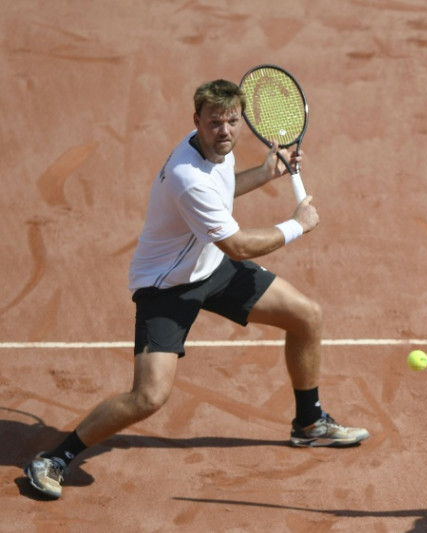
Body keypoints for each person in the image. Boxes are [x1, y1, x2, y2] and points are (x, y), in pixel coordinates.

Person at [24, 79, 368, 500]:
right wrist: (297, 224)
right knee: (148, 397)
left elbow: (221, 193)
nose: (224, 131)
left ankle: (310, 424)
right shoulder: (188, 178)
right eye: (214, 123)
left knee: (306, 316)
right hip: (167, 286)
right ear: (196, 122)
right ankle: (54, 458)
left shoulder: (213, 151)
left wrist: (263, 173)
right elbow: (237, 243)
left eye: (232, 122)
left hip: (211, 267)